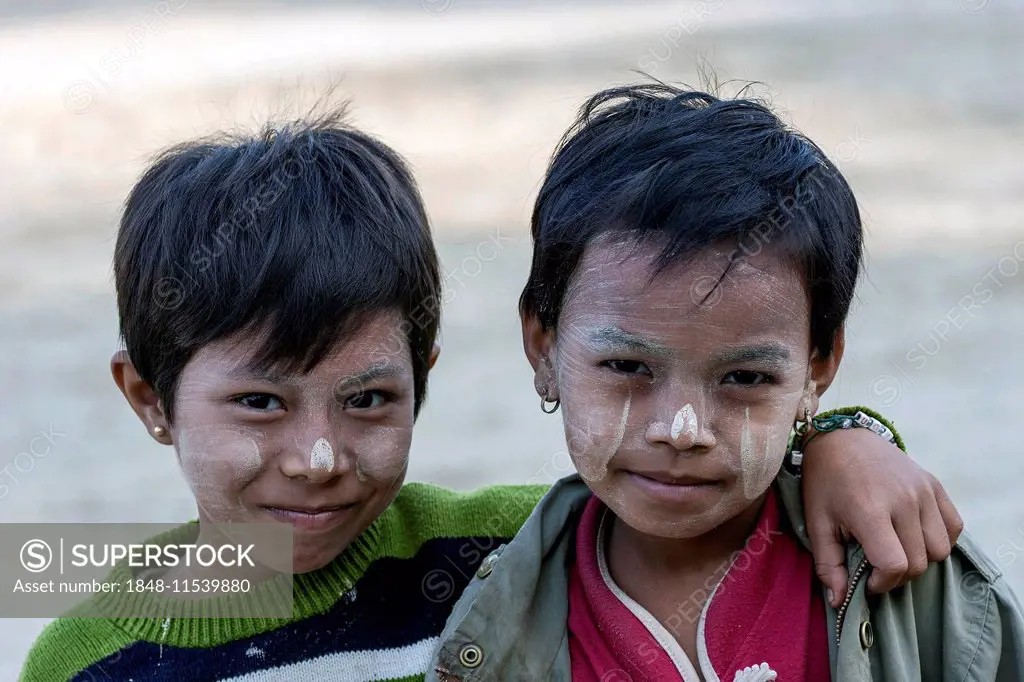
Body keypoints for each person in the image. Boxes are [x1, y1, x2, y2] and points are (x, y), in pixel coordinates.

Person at [22, 105, 968, 682]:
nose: (319, 459)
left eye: (369, 401)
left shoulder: (499, 552)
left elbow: (713, 490)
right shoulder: (91, 646)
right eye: (260, 404)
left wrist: (841, 440)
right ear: (149, 398)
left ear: (423, 381)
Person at [429, 84, 1024, 681]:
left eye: (744, 377)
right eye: (628, 367)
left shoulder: (903, 566)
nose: (681, 432)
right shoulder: (474, 590)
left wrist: (845, 434)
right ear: (543, 344)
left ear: (818, 367)